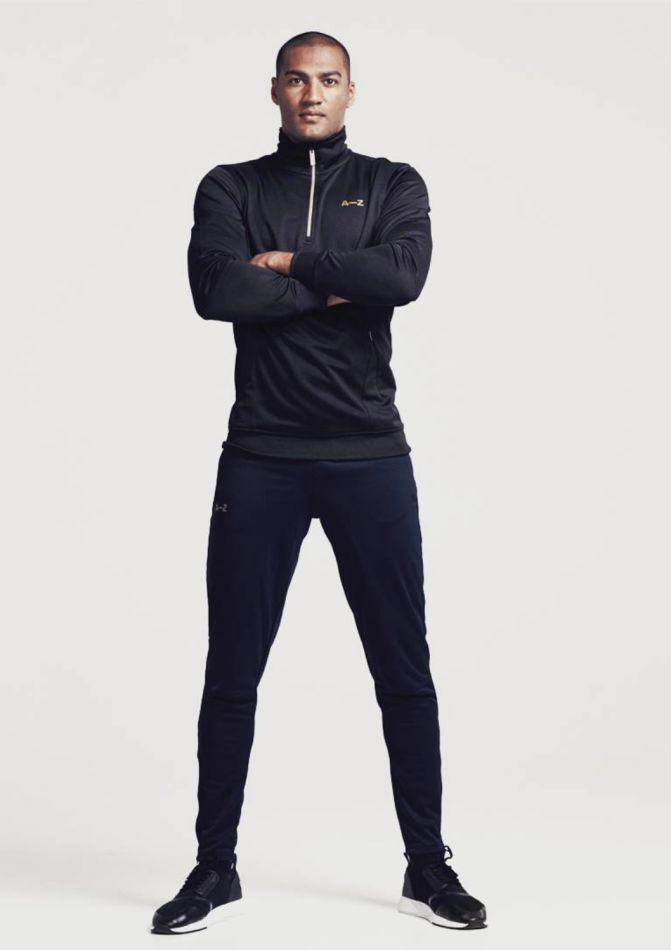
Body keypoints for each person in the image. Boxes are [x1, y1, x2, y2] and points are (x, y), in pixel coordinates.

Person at [150, 30, 487, 935]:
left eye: (328, 80)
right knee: (233, 670)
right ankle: (214, 866)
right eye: (297, 80)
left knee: (402, 669)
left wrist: (291, 264)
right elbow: (218, 292)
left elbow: (402, 276)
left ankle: (426, 865)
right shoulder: (230, 187)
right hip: (261, 456)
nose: (312, 94)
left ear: (349, 92)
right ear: (274, 90)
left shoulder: (392, 183)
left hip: (369, 454)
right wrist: (343, 285)